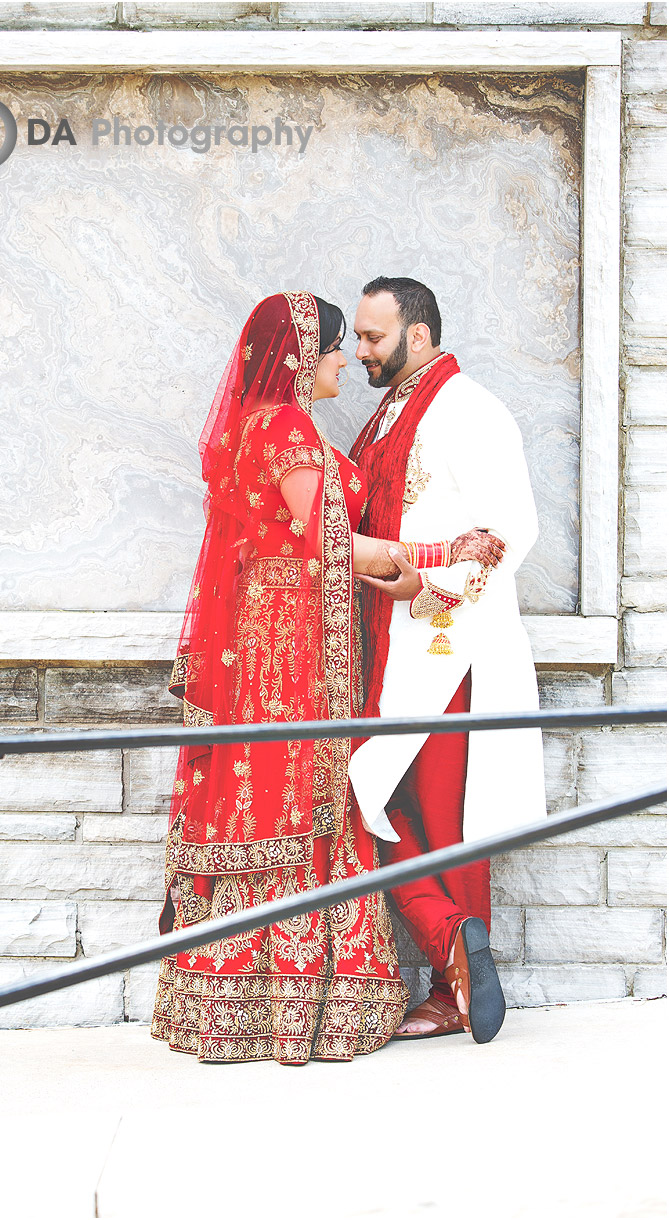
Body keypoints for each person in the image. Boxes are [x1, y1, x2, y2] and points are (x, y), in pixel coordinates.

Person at [150, 290, 502, 1065]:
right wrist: (446, 557)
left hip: (277, 634)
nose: (348, 357)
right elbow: (327, 539)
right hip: (289, 645)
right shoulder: (281, 427)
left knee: (298, 790)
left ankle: (255, 995)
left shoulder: (265, 426)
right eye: (340, 345)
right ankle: (321, 992)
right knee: (309, 789)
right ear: (305, 355)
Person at [347, 276, 547, 1044]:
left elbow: (510, 529)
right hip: (393, 641)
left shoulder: (468, 408)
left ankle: (450, 971)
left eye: (373, 337)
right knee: (387, 801)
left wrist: (427, 583)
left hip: (445, 645)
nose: (361, 349)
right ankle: (455, 947)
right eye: (358, 337)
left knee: (438, 812)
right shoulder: (393, 407)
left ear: (418, 335)